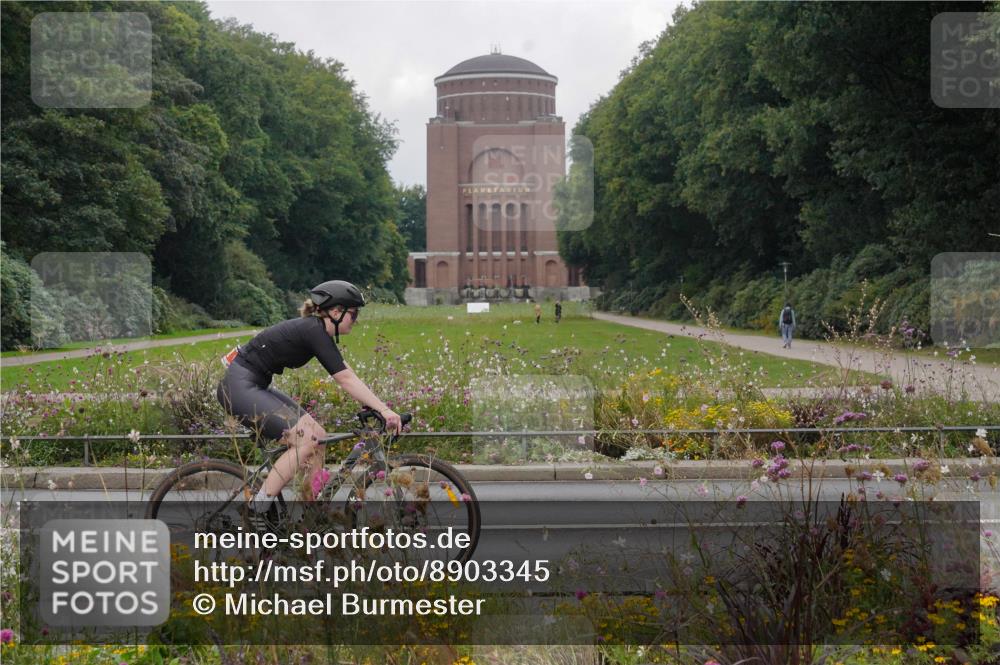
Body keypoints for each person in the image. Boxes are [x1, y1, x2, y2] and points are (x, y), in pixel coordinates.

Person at [216, 280, 402, 514]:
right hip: (238, 387)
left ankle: (310, 513)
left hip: (253, 384)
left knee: (319, 437)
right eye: (353, 314)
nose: (356, 320)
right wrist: (384, 410)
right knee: (306, 442)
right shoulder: (313, 330)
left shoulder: (316, 331)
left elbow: (347, 373)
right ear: (336, 312)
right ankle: (257, 508)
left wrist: (375, 405)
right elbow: (345, 379)